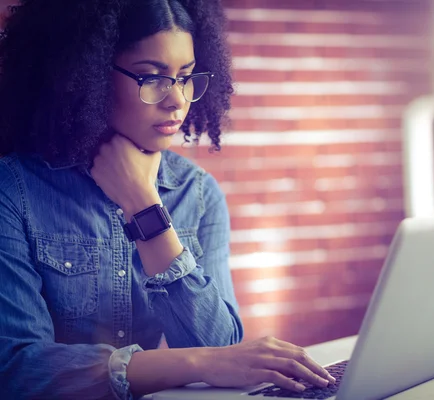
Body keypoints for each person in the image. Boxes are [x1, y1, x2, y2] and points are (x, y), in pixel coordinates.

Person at [0, 0, 335, 399]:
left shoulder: (197, 193)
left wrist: (144, 207)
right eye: (151, 78)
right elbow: (17, 369)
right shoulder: (13, 190)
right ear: (83, 74)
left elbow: (223, 344)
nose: (178, 99)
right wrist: (197, 363)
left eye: (186, 76)